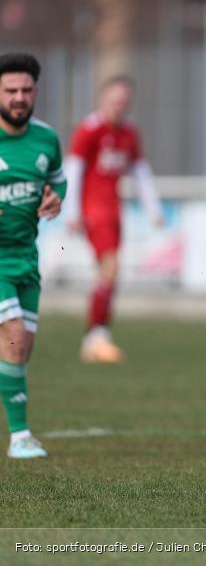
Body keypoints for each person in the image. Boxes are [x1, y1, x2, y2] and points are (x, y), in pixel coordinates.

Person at [62, 76, 163, 363]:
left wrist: (152, 208)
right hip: (94, 211)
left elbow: (140, 171)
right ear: (102, 100)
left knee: (109, 275)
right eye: (114, 100)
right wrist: (71, 212)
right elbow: (74, 168)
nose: (119, 106)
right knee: (110, 268)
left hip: (114, 210)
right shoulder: (90, 129)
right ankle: (96, 336)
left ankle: (95, 337)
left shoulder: (129, 132)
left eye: (123, 101)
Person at [0, 53, 67, 458]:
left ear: (36, 92)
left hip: (27, 258)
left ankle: (21, 435)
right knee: (14, 336)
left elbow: (58, 183)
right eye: (10, 91)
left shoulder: (46, 139)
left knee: (22, 349)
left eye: (26, 90)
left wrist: (56, 199)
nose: (18, 98)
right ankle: (20, 437)